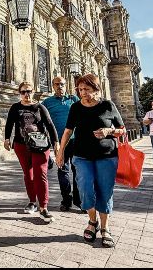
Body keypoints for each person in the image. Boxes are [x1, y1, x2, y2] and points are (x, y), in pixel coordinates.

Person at [57, 73, 125, 248]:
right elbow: (68, 131)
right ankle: (92, 221)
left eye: (86, 89)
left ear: (96, 89)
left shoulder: (108, 105)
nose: (83, 93)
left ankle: (105, 227)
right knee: (85, 188)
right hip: (82, 156)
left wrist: (109, 131)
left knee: (105, 191)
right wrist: (60, 152)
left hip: (106, 156)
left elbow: (122, 130)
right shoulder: (76, 107)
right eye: (80, 90)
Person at [5, 81, 59, 223]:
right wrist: (7, 138)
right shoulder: (15, 107)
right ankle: (32, 202)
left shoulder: (40, 107)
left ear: (33, 92)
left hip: (39, 145)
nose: (26, 94)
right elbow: (9, 123)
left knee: (40, 174)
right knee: (28, 175)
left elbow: (50, 124)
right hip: (21, 145)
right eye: (23, 92)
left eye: (29, 91)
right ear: (20, 93)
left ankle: (44, 207)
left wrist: (56, 142)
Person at [42, 76, 81, 212]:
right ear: (53, 86)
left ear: (66, 85)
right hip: (59, 143)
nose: (60, 86)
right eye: (57, 84)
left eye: (62, 84)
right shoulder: (47, 102)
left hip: (76, 140)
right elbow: (42, 121)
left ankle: (79, 201)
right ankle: (66, 200)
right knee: (63, 170)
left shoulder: (73, 99)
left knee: (78, 171)